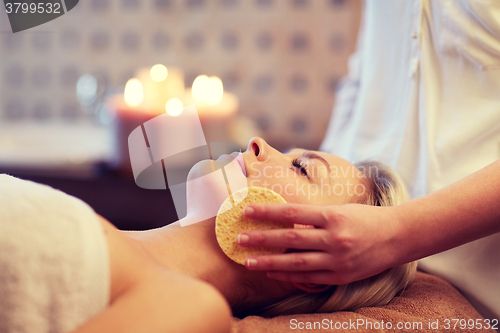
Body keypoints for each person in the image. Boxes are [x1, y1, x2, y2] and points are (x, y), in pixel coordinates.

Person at [235, 0, 500, 321]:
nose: (256, 145)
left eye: (300, 166)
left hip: (470, 285)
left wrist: (396, 233)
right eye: (298, 162)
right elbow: (366, 76)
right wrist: (325, 175)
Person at [0, 137, 416, 332]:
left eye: (302, 169)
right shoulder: (99, 229)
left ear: (316, 259)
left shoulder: (191, 306)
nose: (259, 143)